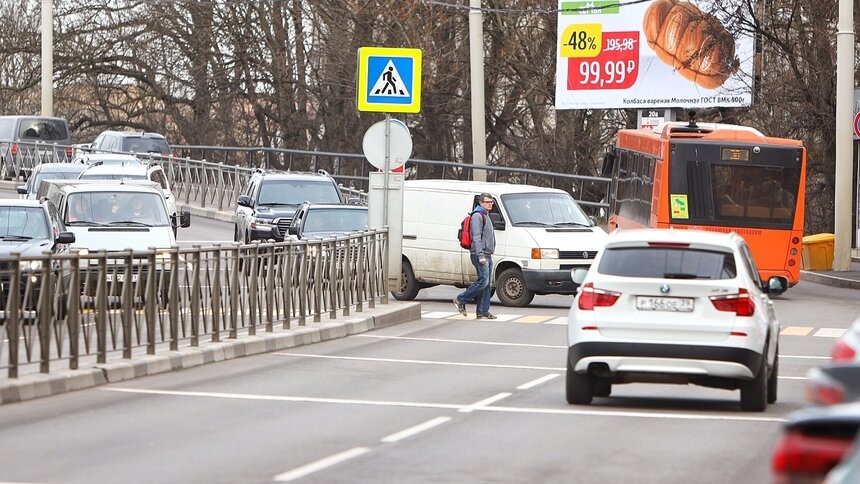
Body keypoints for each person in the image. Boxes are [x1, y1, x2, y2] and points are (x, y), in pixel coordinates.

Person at [453, 193, 497, 319]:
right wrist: (480, 255)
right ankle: (460, 299)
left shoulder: (485, 215)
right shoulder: (477, 216)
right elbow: (476, 237)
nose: (490, 204)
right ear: (481, 203)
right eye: (488, 202)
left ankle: (483, 311)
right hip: (480, 254)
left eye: (491, 202)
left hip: (487, 254)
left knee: (487, 284)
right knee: (483, 281)